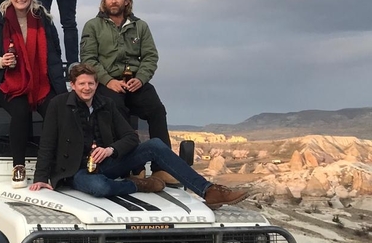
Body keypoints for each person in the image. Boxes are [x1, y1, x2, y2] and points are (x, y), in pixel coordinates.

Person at [29, 64, 250, 209]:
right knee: (100, 188)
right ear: (73, 85)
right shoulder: (58, 105)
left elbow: (131, 137)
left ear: (96, 85)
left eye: (91, 83)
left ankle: (208, 190)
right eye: (82, 84)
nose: (87, 88)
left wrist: (110, 150)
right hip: (75, 170)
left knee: (154, 144)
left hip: (107, 162)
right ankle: (139, 185)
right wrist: (41, 177)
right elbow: (47, 142)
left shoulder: (106, 104)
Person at [0, 0, 68, 188]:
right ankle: (19, 167)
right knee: (21, 111)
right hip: (8, 81)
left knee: (56, 112)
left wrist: (55, 79)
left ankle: (55, 167)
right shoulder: (0, 20)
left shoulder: (43, 18)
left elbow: (55, 51)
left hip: (41, 80)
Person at [80, 0, 171, 165]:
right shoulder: (93, 26)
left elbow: (150, 56)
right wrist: (108, 81)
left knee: (157, 110)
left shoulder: (140, 26)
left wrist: (141, 78)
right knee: (116, 112)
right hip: (108, 83)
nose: (113, 1)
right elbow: (88, 58)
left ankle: (163, 166)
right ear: (104, 2)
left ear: (126, 1)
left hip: (135, 81)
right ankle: (128, 166)